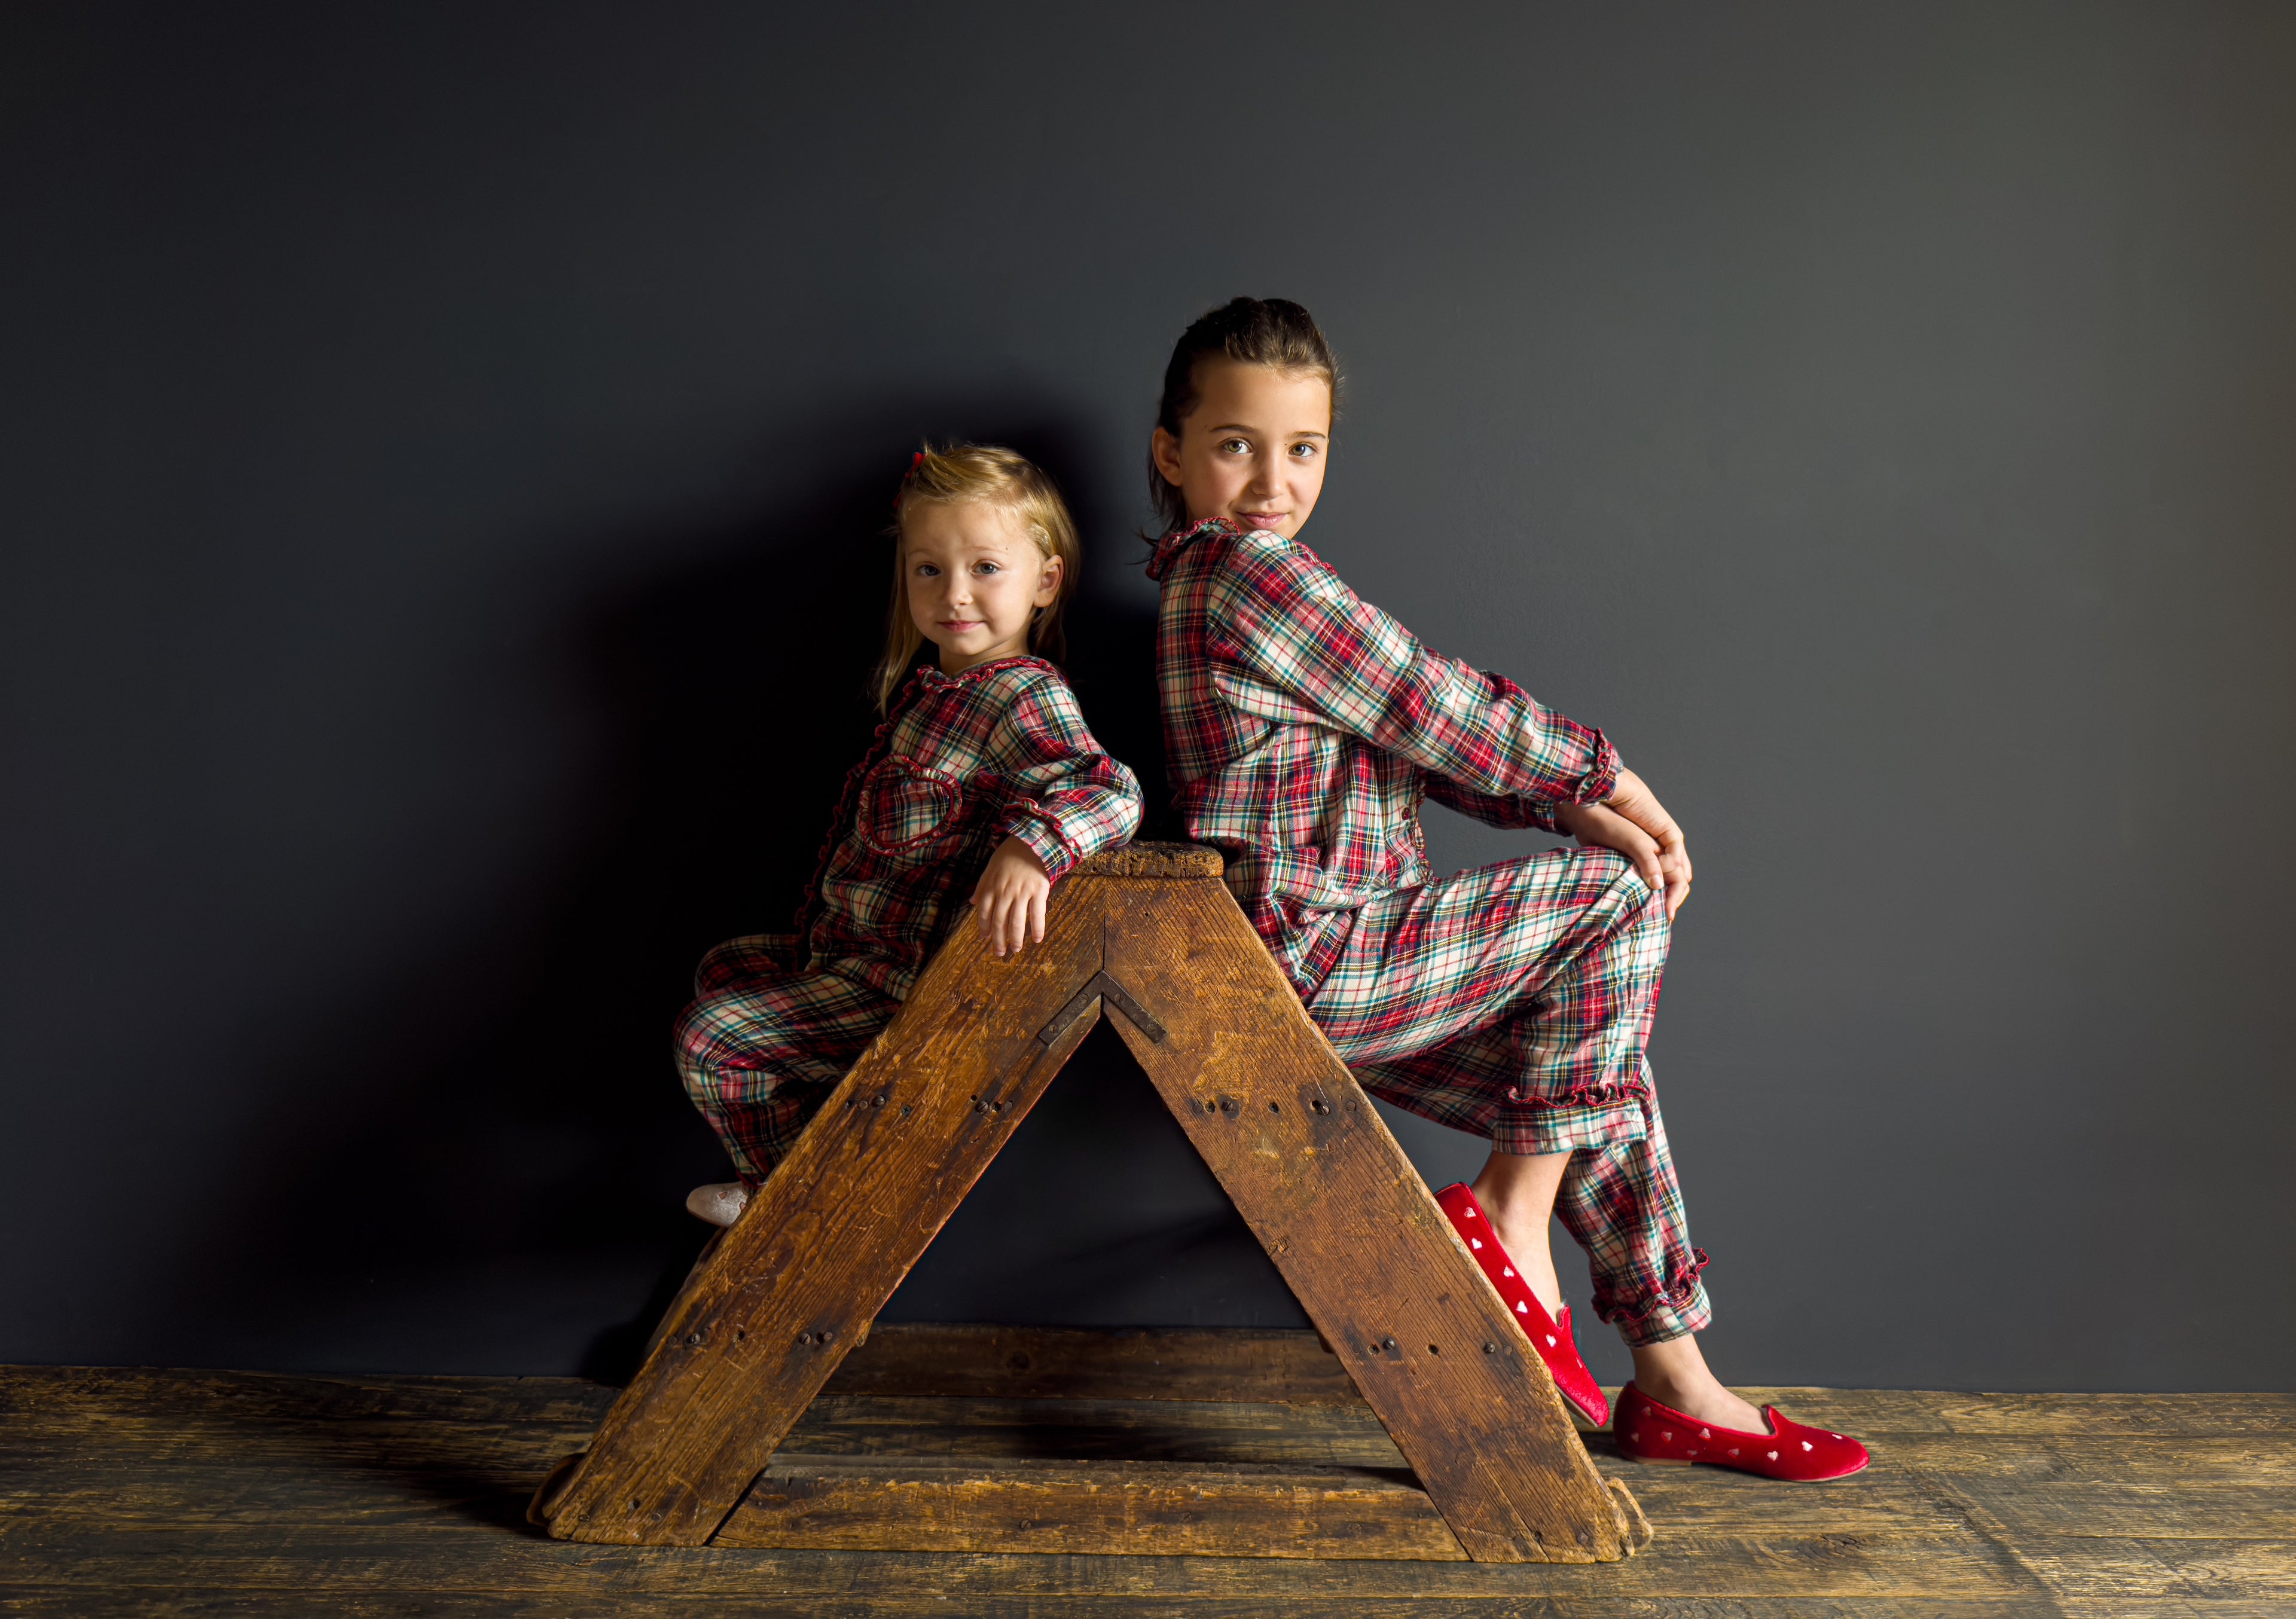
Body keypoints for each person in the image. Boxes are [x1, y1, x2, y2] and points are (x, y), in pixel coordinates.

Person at [1144, 298, 1867, 1481]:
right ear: (1173, 452)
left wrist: (1567, 801)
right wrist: (1607, 776)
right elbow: (1435, 702)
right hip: (1314, 956)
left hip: (1335, 962)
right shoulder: (1243, 577)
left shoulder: (1256, 588)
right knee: (1615, 897)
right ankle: (1511, 1220)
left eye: (1303, 448)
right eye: (1236, 445)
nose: (1271, 480)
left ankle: (1677, 1382)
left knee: (1597, 1078)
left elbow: (1403, 741)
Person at [676, 444, 1143, 1227]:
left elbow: (1109, 788)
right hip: (849, 955)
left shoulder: (1021, 697)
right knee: (724, 969)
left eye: (986, 568)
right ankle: (823, 1150)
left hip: (905, 989)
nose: (954, 593)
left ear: (1047, 581)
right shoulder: (937, 694)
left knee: (711, 1039)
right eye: (929, 570)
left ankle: (789, 1197)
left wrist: (1031, 849)